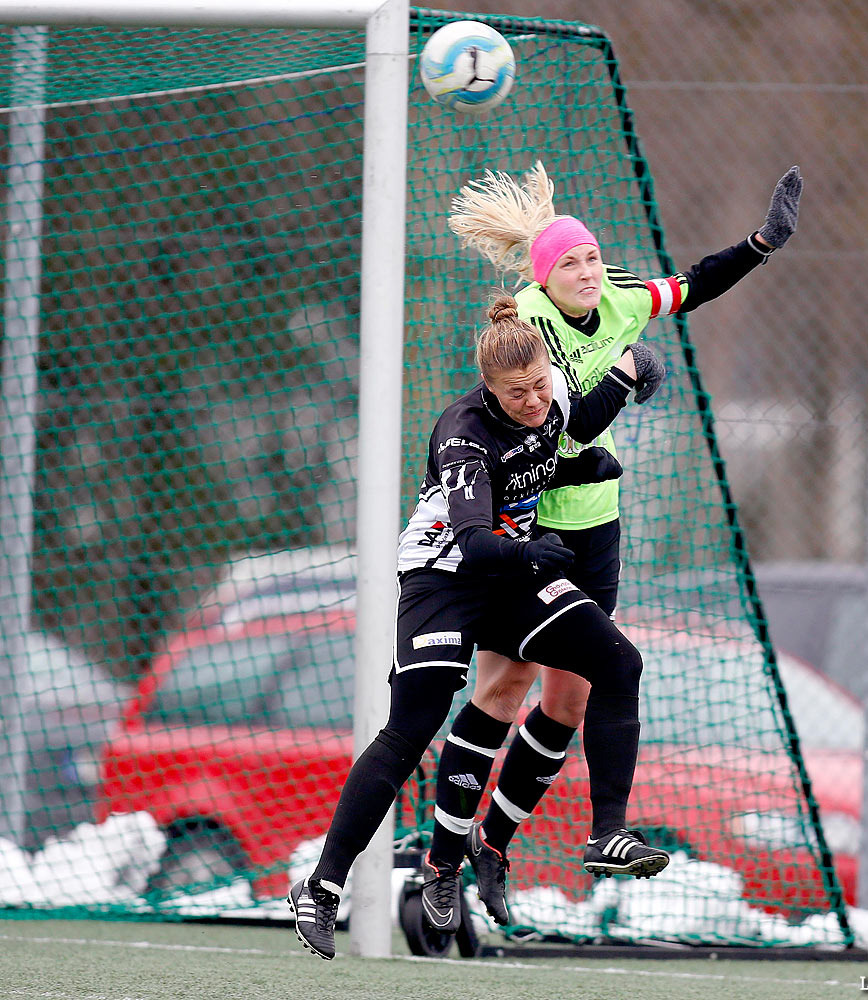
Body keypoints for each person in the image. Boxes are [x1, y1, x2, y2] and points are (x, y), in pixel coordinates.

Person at [426, 161, 804, 927]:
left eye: (593, 256)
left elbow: (691, 286)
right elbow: (564, 426)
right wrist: (629, 376)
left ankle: (494, 845)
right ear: (544, 276)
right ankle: (444, 852)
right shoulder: (530, 323)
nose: (589, 270)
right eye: (571, 261)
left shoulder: (618, 297)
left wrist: (762, 242)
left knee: (573, 693)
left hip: (596, 524)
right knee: (505, 688)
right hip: (531, 526)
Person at [288, 294, 667, 960]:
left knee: (617, 663)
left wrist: (634, 367)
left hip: (508, 572)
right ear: (489, 388)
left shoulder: (552, 399)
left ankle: (607, 833)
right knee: (411, 729)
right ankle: (323, 887)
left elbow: (582, 419)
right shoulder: (463, 433)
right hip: (446, 577)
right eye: (517, 393)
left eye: (541, 386)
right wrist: (534, 553)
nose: (533, 402)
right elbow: (472, 540)